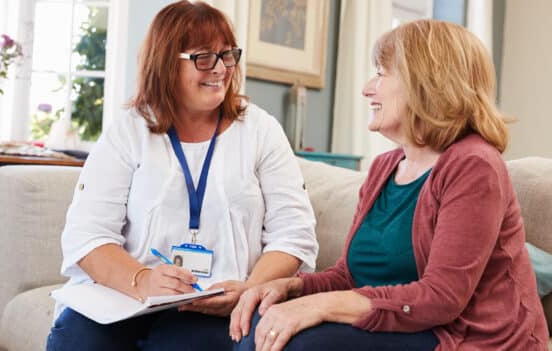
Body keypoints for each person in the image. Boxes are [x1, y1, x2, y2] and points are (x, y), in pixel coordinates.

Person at [230, 19, 549, 351]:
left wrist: (318, 306)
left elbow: (442, 298)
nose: (368, 88)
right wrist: (290, 289)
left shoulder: (474, 166)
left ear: (426, 84)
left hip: (465, 337)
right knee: (260, 325)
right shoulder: (385, 167)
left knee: (299, 345)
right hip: (411, 330)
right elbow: (348, 277)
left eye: (381, 74)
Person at [45, 1, 318, 350]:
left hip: (221, 309)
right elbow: (87, 235)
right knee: (75, 339)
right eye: (203, 57)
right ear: (165, 63)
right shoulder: (128, 132)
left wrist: (249, 290)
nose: (220, 69)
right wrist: (142, 280)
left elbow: (293, 235)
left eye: (227, 55)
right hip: (127, 299)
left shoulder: (261, 130)